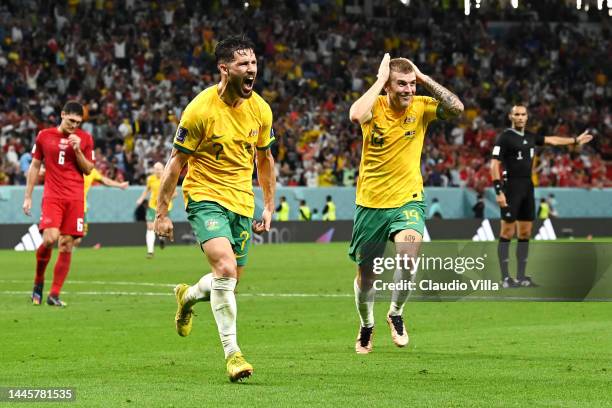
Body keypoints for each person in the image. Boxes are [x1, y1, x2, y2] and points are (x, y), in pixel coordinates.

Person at [154, 36, 276, 382]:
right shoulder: (200, 110)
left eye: (253, 63)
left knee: (229, 280)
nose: (251, 69)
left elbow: (264, 159)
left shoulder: (261, 110)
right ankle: (233, 354)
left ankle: (188, 296)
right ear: (225, 69)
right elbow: (176, 162)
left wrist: (268, 205)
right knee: (224, 266)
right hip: (205, 195)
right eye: (243, 64)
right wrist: (162, 213)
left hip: (241, 200)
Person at [348, 54, 463, 354]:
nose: (408, 90)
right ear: (388, 85)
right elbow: (355, 116)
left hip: (408, 200)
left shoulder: (422, 106)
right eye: (401, 84)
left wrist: (424, 78)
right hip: (371, 204)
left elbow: (456, 108)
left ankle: (396, 313)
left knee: (408, 260)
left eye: (411, 84)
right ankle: (367, 324)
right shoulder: (374, 105)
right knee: (367, 275)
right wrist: (378, 80)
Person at [490, 104, 593, 288]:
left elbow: (552, 140)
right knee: (507, 232)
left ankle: (521, 277)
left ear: (527, 117)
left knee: (525, 232)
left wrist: (575, 141)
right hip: (511, 187)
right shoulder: (504, 138)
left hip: (528, 187)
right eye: (517, 114)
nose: (520, 117)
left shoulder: (530, 137)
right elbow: (493, 165)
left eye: (523, 114)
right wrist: (498, 191)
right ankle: (505, 278)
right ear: (511, 117)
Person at [22, 101, 95, 306]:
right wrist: (28, 196)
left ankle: (54, 294)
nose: (74, 125)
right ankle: (38, 281)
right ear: (62, 115)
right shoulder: (44, 136)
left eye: (78, 122)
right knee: (49, 239)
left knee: (66, 244)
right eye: (71, 120)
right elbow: (35, 166)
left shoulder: (85, 139)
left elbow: (89, 169)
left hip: (75, 198)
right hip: (53, 196)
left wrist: (78, 150)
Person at [74, 167, 129, 247]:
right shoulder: (71, 167)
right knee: (65, 236)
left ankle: (66, 255)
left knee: (79, 236)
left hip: (81, 208)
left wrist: (119, 185)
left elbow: (105, 181)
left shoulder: (91, 171)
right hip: (67, 206)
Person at [136, 162, 175, 258]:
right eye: (155, 169)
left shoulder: (168, 178)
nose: (157, 171)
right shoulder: (150, 179)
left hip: (165, 207)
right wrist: (141, 198)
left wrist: (165, 198)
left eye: (159, 169)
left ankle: (162, 238)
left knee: (162, 228)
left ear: (163, 169)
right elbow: (147, 190)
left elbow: (175, 194)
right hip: (152, 206)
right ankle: (150, 251)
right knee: (150, 226)